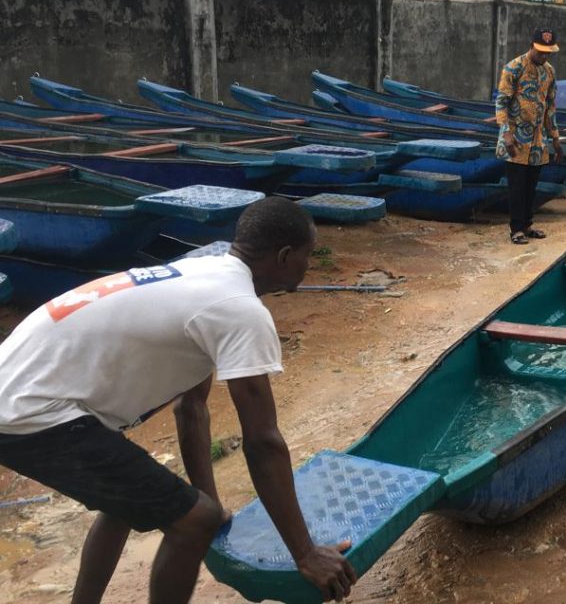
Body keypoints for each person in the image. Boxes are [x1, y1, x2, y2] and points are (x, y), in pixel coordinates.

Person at [0, 197, 358, 604]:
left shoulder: (204, 272)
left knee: (129, 500)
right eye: (307, 256)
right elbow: (263, 442)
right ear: (283, 256)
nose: (308, 266)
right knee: (193, 521)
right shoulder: (238, 310)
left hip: (21, 389)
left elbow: (191, 409)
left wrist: (214, 503)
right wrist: (306, 553)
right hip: (32, 412)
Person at [495, 27, 563, 245]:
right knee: (516, 186)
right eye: (540, 52)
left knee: (531, 186)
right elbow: (501, 102)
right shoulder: (513, 68)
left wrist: (554, 136)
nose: (544, 56)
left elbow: (550, 105)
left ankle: (527, 224)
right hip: (515, 138)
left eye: (548, 53)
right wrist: (506, 134)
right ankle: (516, 229)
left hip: (538, 141)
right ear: (531, 45)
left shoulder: (549, 72)